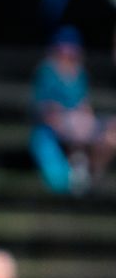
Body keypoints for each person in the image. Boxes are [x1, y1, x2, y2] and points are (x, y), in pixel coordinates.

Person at [29, 26, 114, 194]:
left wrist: (87, 120)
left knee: (111, 133)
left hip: (77, 122)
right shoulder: (47, 72)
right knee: (78, 128)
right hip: (55, 125)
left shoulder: (80, 73)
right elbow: (44, 108)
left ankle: (91, 178)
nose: (68, 53)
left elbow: (84, 103)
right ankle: (79, 177)